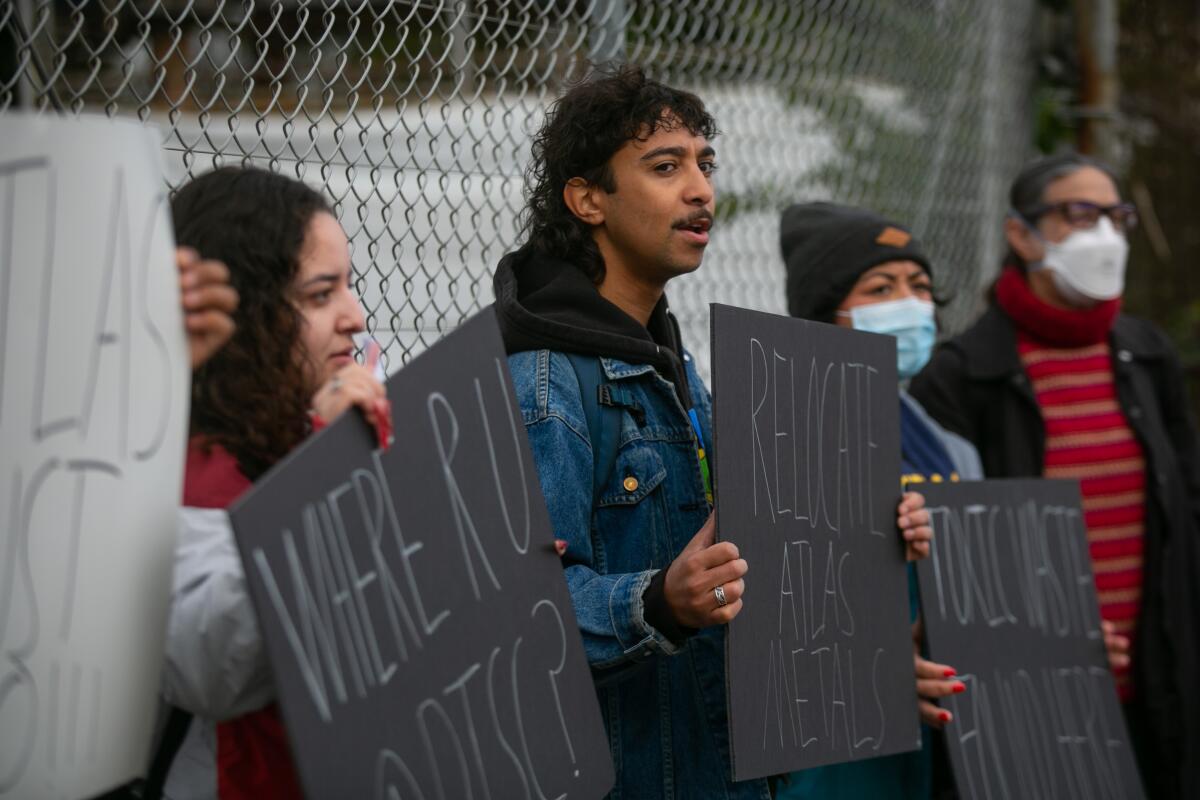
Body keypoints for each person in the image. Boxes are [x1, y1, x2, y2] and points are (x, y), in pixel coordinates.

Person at [493, 64, 932, 798]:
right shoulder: (545, 385)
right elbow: (517, 612)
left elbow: (751, 552)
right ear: (587, 199)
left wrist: (872, 536)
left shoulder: (673, 365)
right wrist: (659, 601)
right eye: (665, 168)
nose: (701, 190)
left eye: (706, 165)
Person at [910, 152, 1200, 798]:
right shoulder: (963, 376)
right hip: (1030, 708)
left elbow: (1186, 508)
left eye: (1115, 217)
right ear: (1021, 234)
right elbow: (949, 555)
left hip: (1159, 689)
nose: (1104, 235)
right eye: (1079, 214)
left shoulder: (1148, 355)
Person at [160, 166, 392, 799]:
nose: (355, 315)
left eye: (349, 285)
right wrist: (328, 469)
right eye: (321, 295)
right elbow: (214, 669)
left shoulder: (311, 421)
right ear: (248, 315)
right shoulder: (187, 471)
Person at [776, 202, 980, 799]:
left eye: (920, 286)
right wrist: (873, 662)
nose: (911, 303)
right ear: (823, 314)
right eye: (882, 287)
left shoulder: (951, 448)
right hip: (826, 754)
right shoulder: (783, 439)